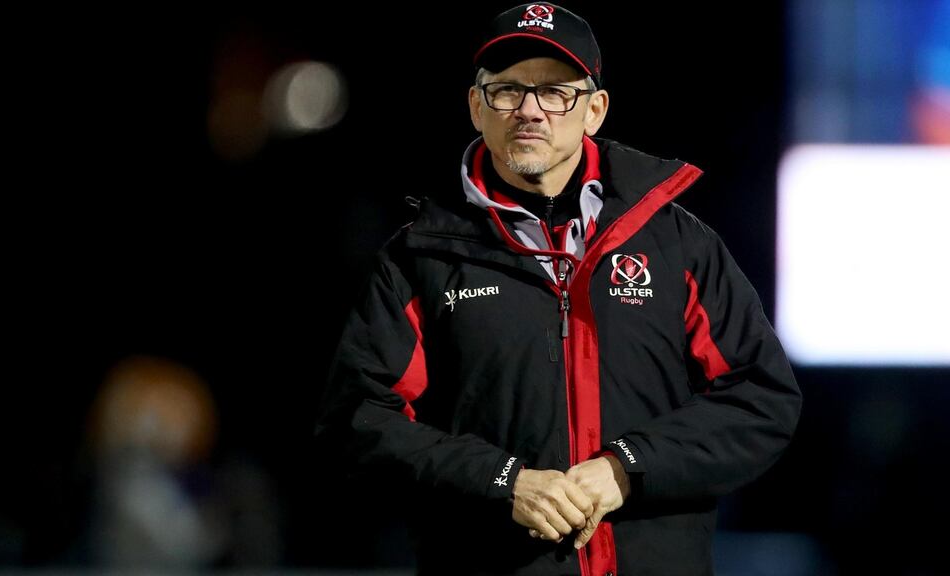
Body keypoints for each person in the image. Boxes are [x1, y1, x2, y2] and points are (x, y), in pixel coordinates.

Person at [316, 4, 801, 575]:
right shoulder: (420, 255)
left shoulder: (676, 244)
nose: (529, 111)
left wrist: (627, 469)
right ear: (476, 106)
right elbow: (359, 420)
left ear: (594, 110)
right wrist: (504, 482)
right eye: (507, 91)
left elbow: (762, 399)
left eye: (555, 92)